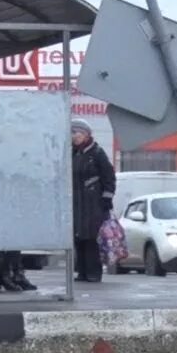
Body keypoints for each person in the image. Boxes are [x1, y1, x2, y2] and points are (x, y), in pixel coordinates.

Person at [71, 118, 116, 282]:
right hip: (77, 204)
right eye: (72, 133)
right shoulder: (73, 153)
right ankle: (82, 271)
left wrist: (106, 198)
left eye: (76, 133)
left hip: (93, 204)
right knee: (78, 237)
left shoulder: (97, 153)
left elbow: (109, 177)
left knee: (91, 238)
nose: (73, 136)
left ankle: (94, 272)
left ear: (85, 134)